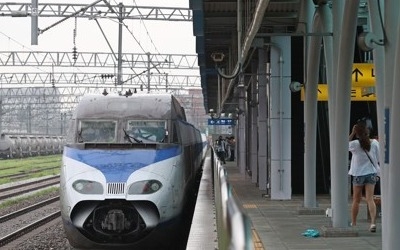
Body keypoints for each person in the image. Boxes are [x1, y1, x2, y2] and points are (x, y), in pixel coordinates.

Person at [348, 119, 380, 232]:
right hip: (371, 173)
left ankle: (354, 223)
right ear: (368, 132)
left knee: (356, 200)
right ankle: (372, 223)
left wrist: (352, 133)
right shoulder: (375, 143)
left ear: (357, 134)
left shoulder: (355, 144)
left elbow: (343, 145)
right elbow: (379, 158)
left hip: (358, 174)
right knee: (370, 199)